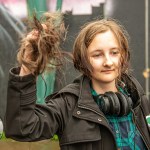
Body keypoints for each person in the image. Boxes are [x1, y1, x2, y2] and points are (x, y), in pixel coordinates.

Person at [4, 17, 150, 150]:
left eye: (114, 52)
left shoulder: (137, 96)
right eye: (97, 55)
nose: (108, 62)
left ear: (123, 55)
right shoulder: (67, 104)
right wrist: (27, 69)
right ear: (82, 59)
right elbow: (21, 128)